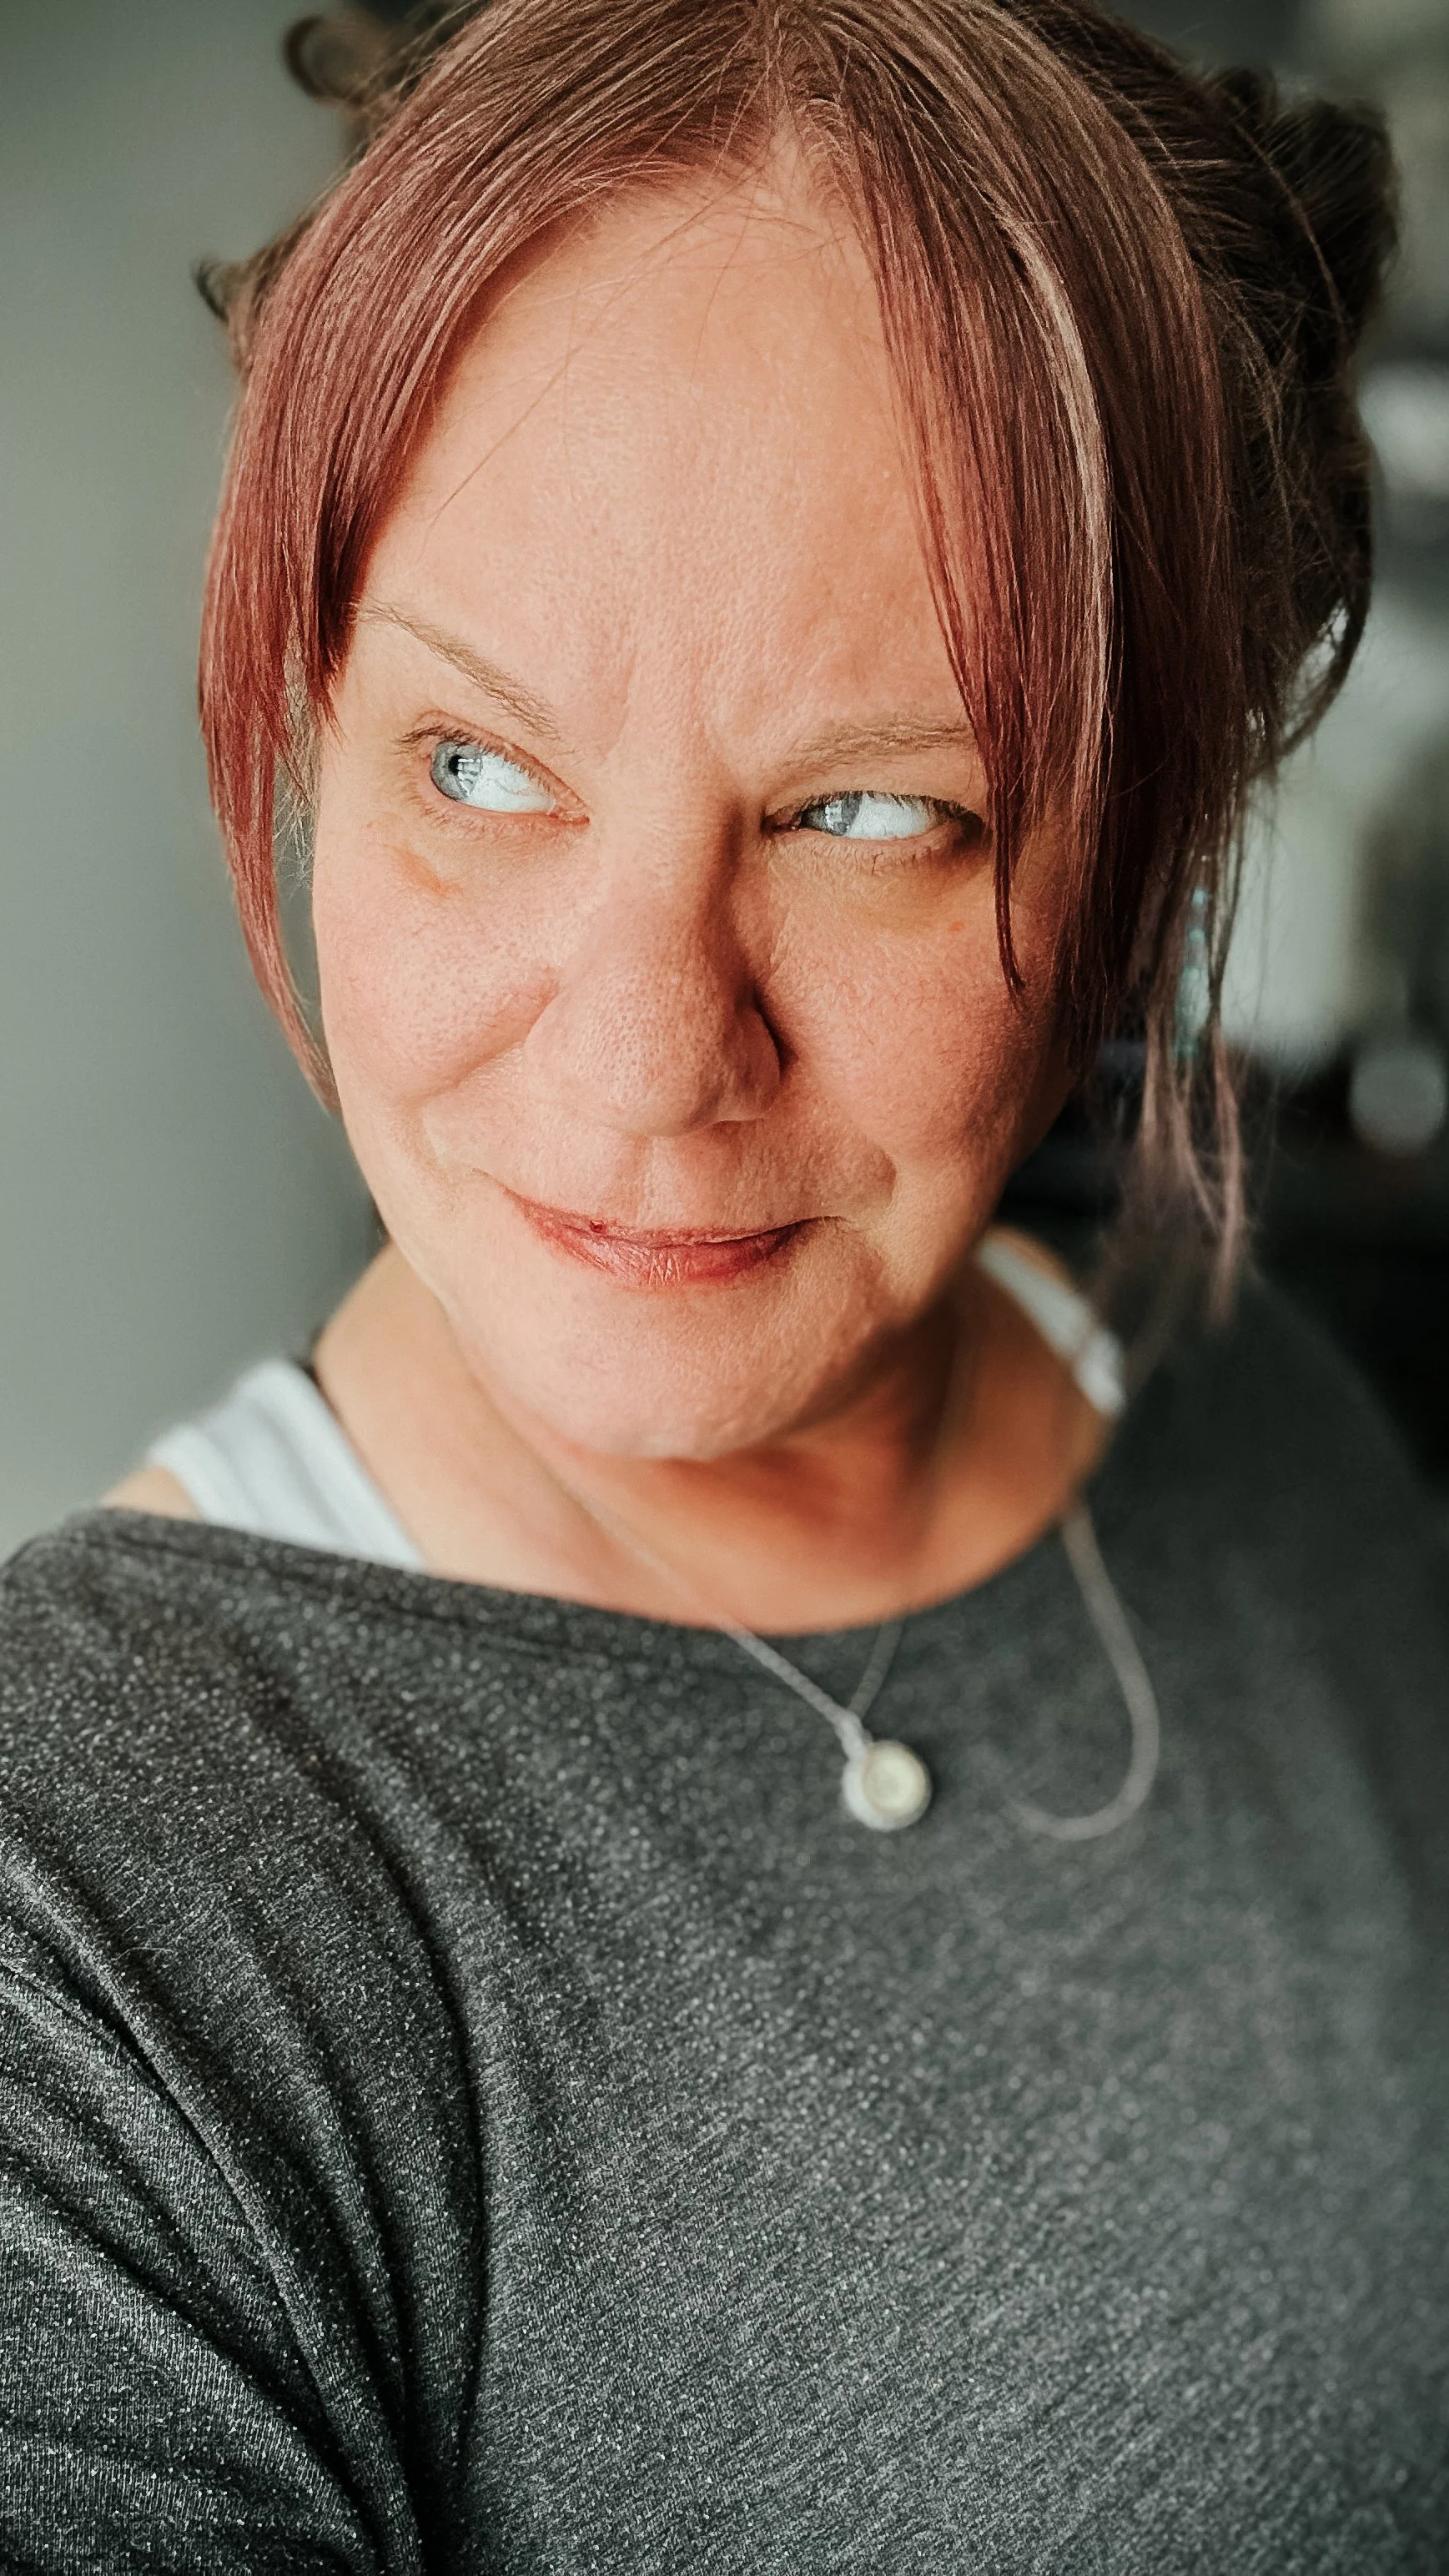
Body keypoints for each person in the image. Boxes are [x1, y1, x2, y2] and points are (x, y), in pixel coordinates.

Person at [1, 1, 1444, 2564]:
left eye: (877, 812)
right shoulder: (91, 1924)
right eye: (475, 764)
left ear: (1156, 846)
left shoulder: (1254, 1409)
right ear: (315, 714)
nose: (653, 1056)